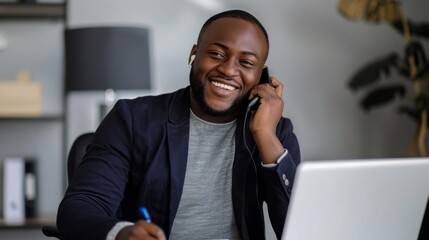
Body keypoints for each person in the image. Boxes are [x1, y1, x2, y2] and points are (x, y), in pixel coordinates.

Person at [57, 9, 300, 240]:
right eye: (216, 54)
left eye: (246, 63)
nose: (228, 70)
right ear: (194, 54)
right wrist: (122, 233)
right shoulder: (132, 119)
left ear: (261, 78)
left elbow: (301, 229)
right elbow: (79, 208)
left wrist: (265, 135)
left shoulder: (274, 131)